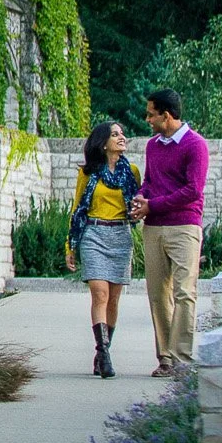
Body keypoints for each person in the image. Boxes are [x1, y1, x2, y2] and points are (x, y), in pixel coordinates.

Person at [129, 88, 209, 376]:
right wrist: (140, 198)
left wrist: (153, 205)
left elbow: (193, 190)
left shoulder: (195, 145)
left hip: (184, 227)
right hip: (154, 228)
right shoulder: (153, 146)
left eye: (151, 114)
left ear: (167, 115)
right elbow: (150, 181)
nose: (147, 119)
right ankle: (165, 358)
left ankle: (182, 359)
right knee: (157, 294)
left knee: (185, 291)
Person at [65, 120, 139, 377]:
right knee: (100, 294)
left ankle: (102, 351)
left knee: (114, 298)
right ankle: (104, 353)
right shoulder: (87, 174)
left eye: (122, 133)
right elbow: (77, 209)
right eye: (115, 134)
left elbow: (137, 206)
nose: (121, 137)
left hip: (120, 234)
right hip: (93, 234)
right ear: (103, 143)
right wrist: (70, 245)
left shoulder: (132, 172)